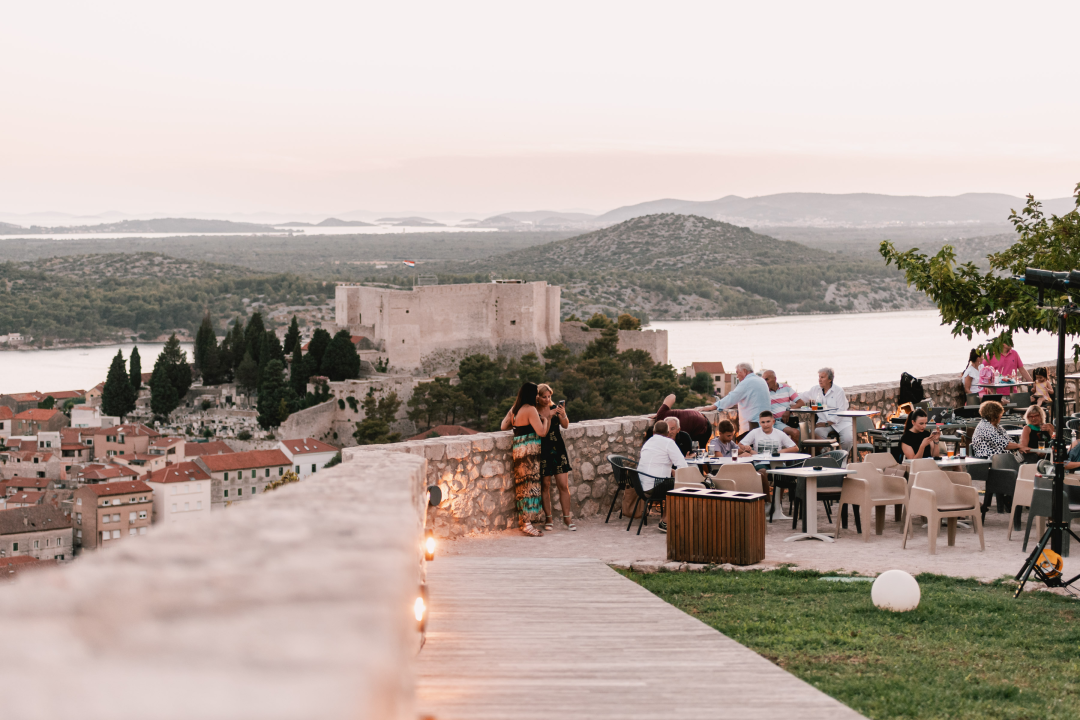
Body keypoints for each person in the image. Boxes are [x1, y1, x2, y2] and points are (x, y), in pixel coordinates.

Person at [500, 382, 552, 537]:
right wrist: (545, 420)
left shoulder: (514, 409)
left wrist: (518, 425)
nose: (537, 396)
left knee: (522, 485)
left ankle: (526, 522)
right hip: (530, 451)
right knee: (529, 486)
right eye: (536, 393)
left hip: (518, 449)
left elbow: (503, 426)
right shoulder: (530, 409)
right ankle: (527, 524)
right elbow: (542, 432)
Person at [636, 419, 688, 533]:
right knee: (679, 485)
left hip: (640, 487)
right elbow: (683, 466)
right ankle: (665, 521)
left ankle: (667, 518)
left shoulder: (648, 442)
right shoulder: (669, 442)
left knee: (672, 482)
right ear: (668, 433)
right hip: (655, 487)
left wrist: (671, 470)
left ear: (653, 432)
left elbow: (656, 463)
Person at [537, 384, 575, 531]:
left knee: (563, 485)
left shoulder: (554, 408)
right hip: (543, 450)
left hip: (558, 449)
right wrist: (548, 417)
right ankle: (549, 518)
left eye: (549, 396)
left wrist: (563, 414)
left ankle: (567, 518)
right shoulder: (534, 412)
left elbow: (565, 425)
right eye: (544, 397)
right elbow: (542, 433)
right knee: (545, 485)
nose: (547, 399)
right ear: (537, 397)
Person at [736, 410, 799, 498]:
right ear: (759, 423)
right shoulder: (755, 432)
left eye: (768, 421)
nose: (765, 424)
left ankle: (778, 501)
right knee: (762, 472)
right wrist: (749, 450)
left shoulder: (779, 433)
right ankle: (767, 500)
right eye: (763, 422)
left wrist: (781, 451)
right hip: (761, 462)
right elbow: (739, 445)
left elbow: (795, 448)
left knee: (782, 473)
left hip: (777, 462)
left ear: (773, 422)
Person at [697, 362, 770, 435]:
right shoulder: (761, 381)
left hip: (752, 427)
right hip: (765, 425)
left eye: (737, 373)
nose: (737, 376)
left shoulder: (747, 382)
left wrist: (713, 406)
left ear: (744, 371)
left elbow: (731, 398)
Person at [792, 367, 852, 452]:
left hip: (842, 422)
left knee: (847, 440)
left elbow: (841, 411)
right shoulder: (815, 390)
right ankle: (824, 455)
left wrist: (827, 423)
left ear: (830, 379)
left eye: (822, 377)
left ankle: (843, 457)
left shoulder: (839, 391)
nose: (819, 380)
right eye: (819, 377)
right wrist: (787, 399)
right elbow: (801, 397)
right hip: (823, 422)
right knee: (817, 436)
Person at [762, 369, 800, 444]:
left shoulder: (786, 388)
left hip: (790, 420)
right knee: (795, 432)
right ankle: (793, 451)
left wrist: (788, 410)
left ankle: (798, 450)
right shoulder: (764, 392)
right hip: (776, 422)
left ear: (775, 379)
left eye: (767, 379)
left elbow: (801, 402)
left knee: (809, 434)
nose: (765, 382)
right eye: (763, 380)